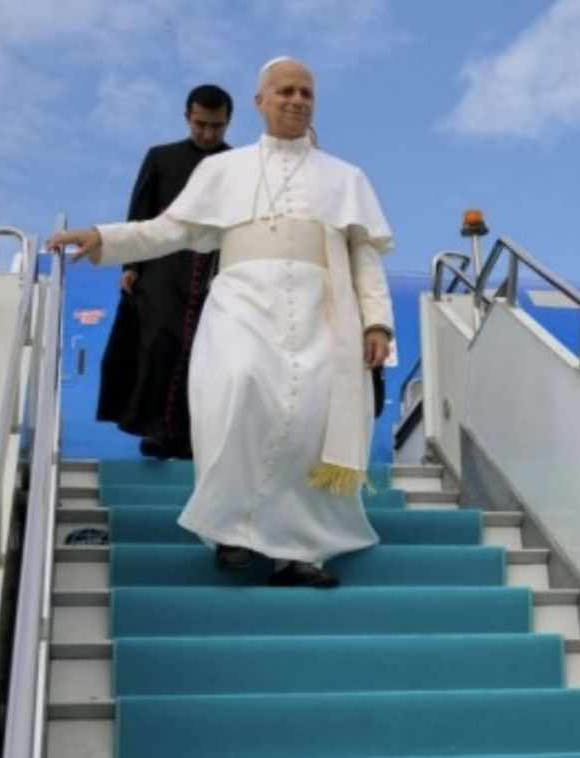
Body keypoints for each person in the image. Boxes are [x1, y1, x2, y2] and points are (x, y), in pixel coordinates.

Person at [49, 57, 393, 588]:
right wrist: (104, 237)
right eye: (285, 92)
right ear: (260, 101)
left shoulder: (346, 178)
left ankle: (299, 552)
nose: (297, 100)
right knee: (239, 389)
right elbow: (169, 230)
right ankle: (233, 532)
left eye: (305, 92)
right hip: (243, 304)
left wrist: (378, 325)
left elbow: (364, 258)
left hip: (323, 311)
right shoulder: (221, 171)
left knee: (310, 420)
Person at [96, 84, 233, 459]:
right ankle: (158, 430)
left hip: (215, 267)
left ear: (228, 123)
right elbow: (139, 212)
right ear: (187, 117)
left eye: (216, 127)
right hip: (162, 264)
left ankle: (192, 438)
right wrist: (130, 265)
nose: (207, 134)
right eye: (201, 124)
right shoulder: (160, 157)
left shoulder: (237, 165)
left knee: (205, 350)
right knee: (159, 342)